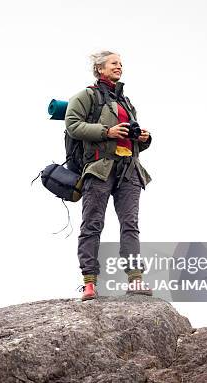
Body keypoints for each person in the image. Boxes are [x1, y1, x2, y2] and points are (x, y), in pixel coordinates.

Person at [64, 51, 153, 301]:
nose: (120, 67)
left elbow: (129, 138)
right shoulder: (86, 96)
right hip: (99, 169)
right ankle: (89, 283)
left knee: (130, 226)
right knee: (92, 225)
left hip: (129, 170)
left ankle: (135, 280)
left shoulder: (126, 101)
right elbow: (72, 125)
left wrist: (143, 138)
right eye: (115, 63)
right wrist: (107, 131)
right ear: (100, 68)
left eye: (121, 64)